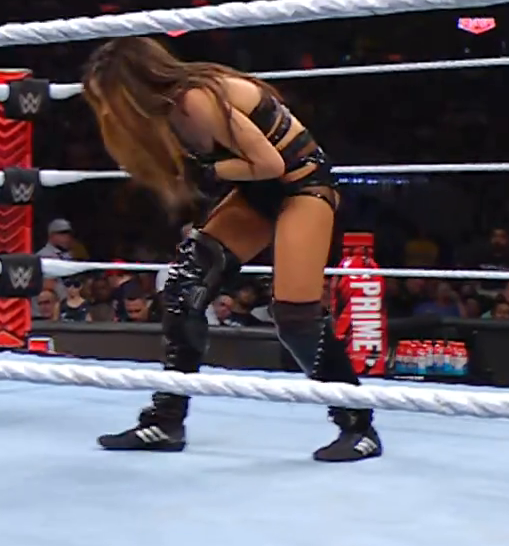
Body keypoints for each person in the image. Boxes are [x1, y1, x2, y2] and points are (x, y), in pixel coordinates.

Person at [79, 36, 380, 462]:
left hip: (302, 186)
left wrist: (209, 171)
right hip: (258, 193)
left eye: (109, 97)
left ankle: (359, 427)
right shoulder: (171, 113)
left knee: (296, 317)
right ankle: (166, 420)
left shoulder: (195, 99)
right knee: (183, 288)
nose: (108, 110)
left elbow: (271, 164)